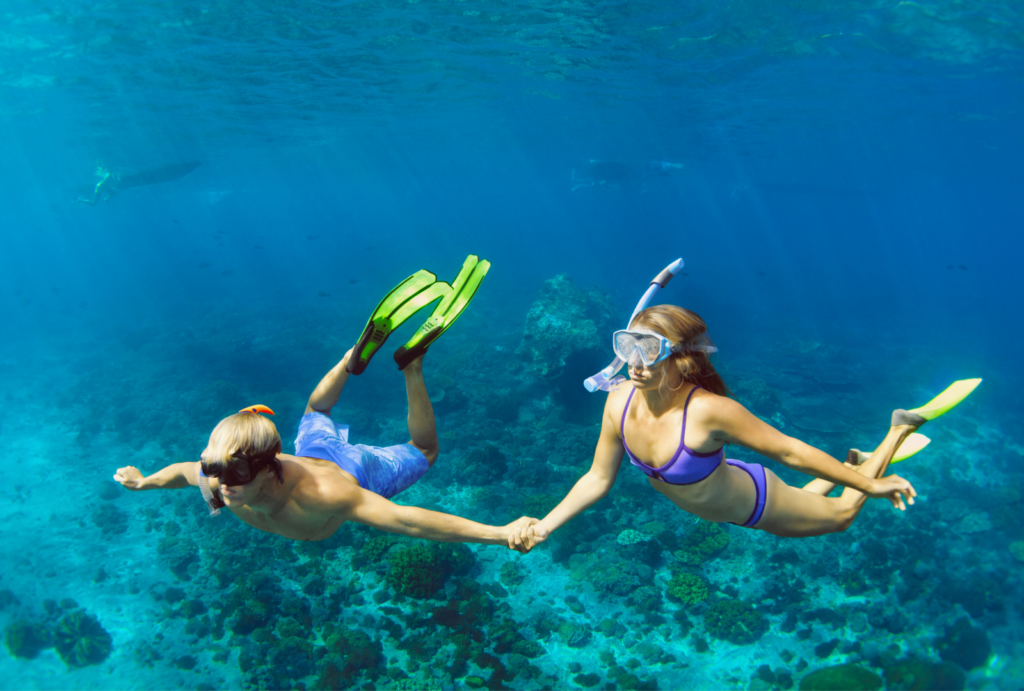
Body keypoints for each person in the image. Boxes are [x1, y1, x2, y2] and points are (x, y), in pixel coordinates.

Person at [115, 257, 535, 545]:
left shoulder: (325, 496)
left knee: (426, 451)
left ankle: (413, 366)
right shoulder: (217, 480)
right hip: (312, 451)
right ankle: (351, 356)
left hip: (349, 468)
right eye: (213, 464)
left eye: (236, 469)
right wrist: (144, 481)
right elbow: (180, 472)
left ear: (267, 464)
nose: (221, 481)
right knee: (315, 411)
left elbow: (408, 521)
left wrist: (499, 533)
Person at [508, 304, 959, 552]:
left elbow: (789, 452)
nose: (634, 362)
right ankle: (855, 464)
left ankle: (895, 432)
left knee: (842, 516)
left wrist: (868, 486)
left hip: (756, 503)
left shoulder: (709, 411)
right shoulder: (618, 401)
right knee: (809, 502)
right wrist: (546, 526)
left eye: (648, 349)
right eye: (627, 346)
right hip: (731, 493)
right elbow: (597, 478)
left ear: (681, 358)